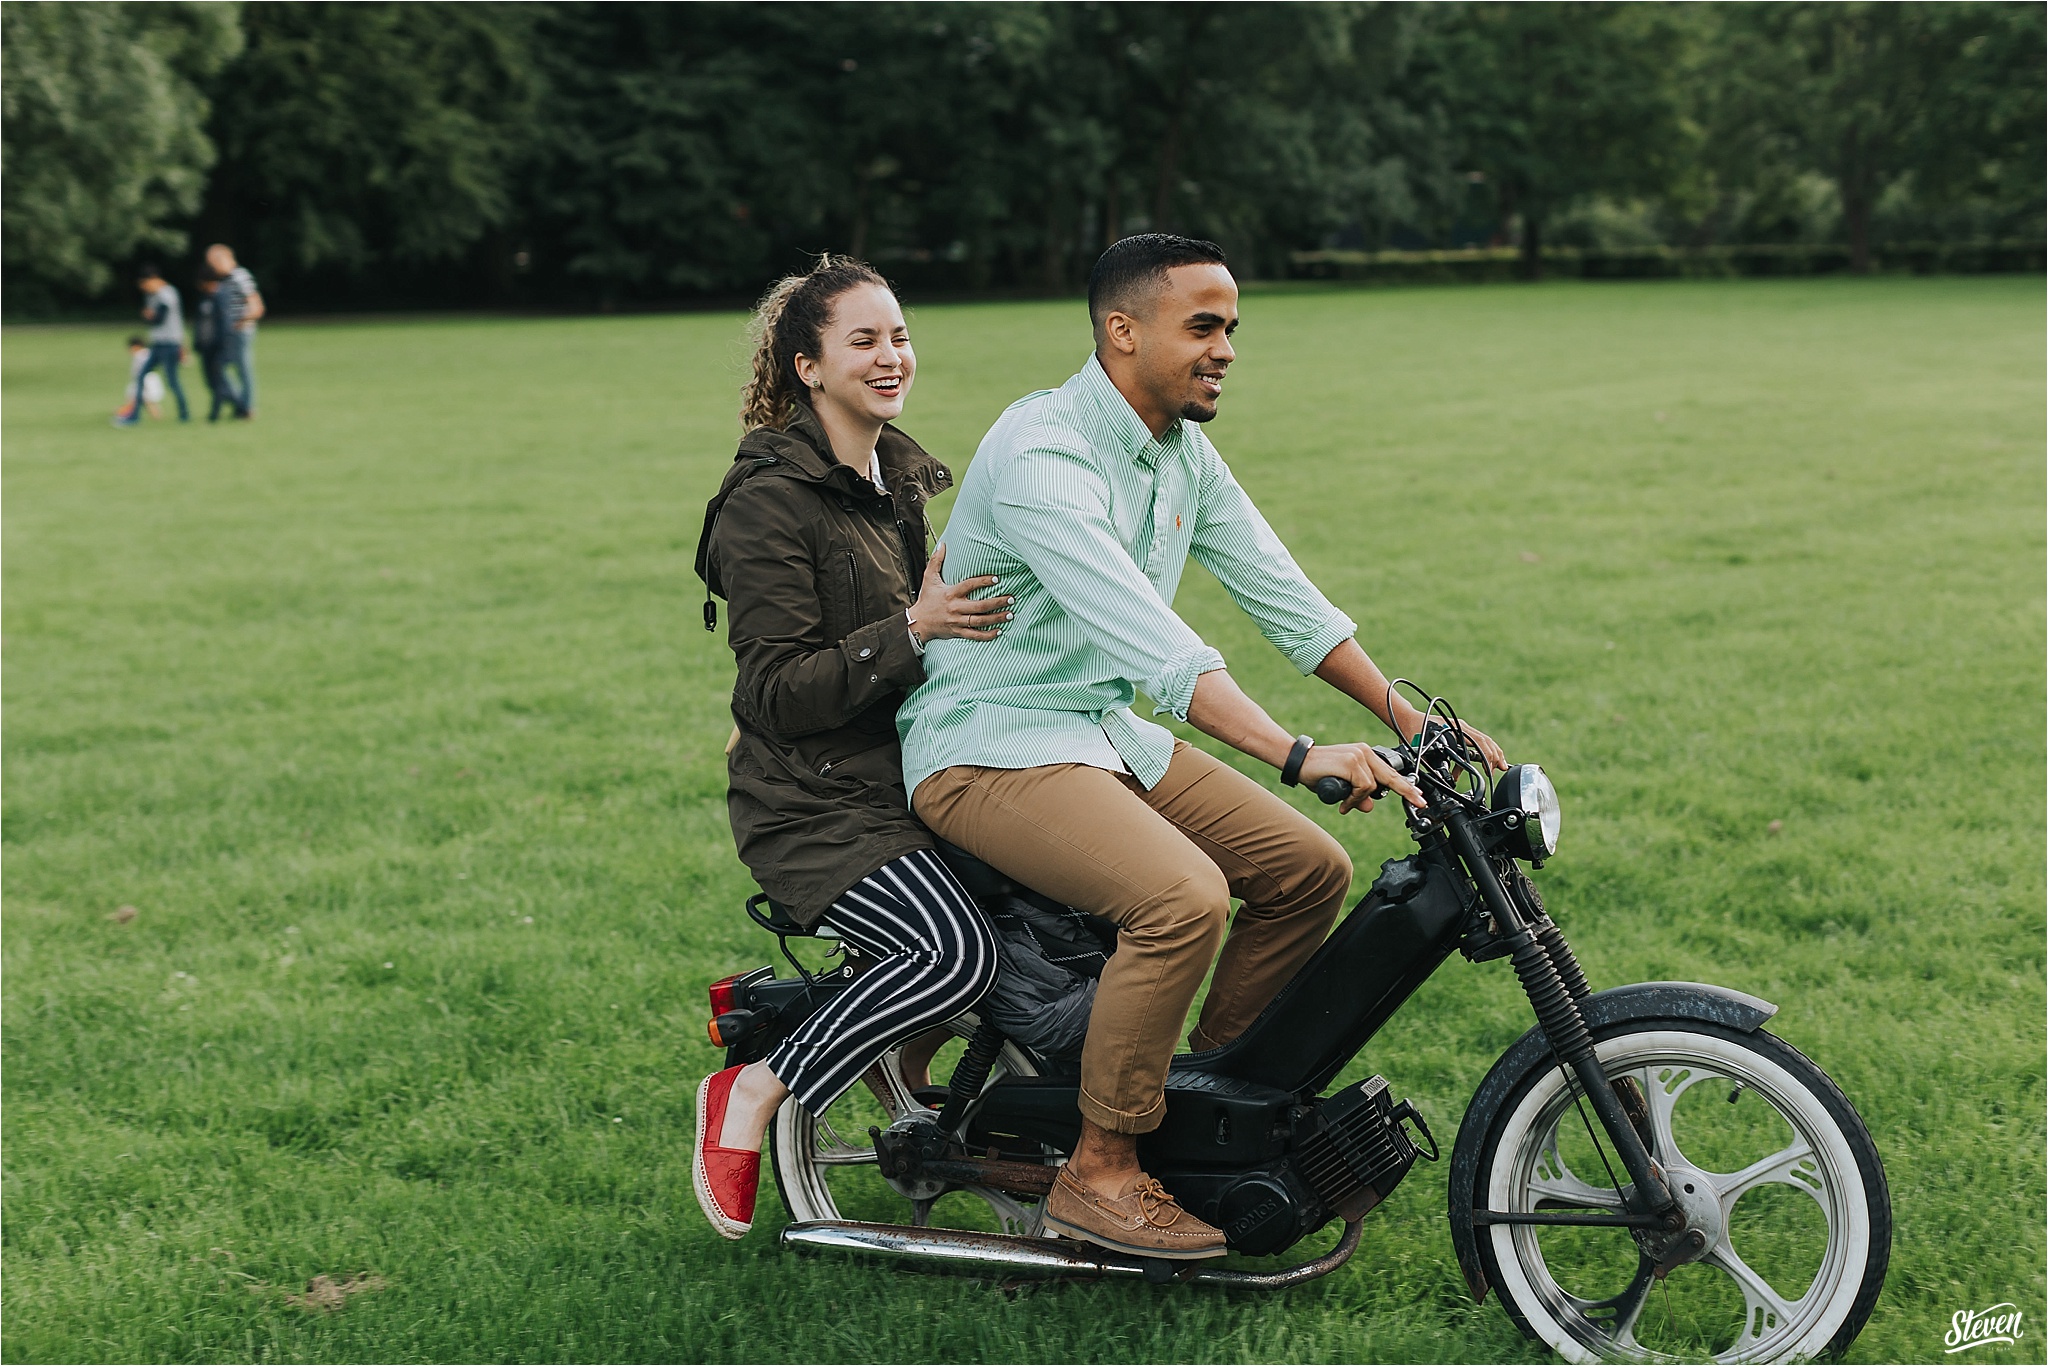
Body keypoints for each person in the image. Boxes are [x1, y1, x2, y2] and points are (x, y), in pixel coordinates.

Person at [896, 233, 1506, 1261]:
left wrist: (1411, 719)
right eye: (1202, 326)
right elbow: (1159, 651)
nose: (1224, 347)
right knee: (1179, 897)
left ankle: (1203, 1121)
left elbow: (1285, 597)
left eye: (1230, 327)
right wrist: (1296, 749)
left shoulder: (1178, 451)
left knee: (1305, 868)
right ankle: (1101, 1168)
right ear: (1121, 331)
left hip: (1096, 732)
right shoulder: (1044, 451)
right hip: (987, 742)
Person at [690, 256, 1016, 1240]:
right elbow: (776, 690)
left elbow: (929, 643)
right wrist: (913, 628)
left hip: (908, 778)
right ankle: (751, 1090)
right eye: (863, 341)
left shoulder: (894, 481)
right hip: (812, 806)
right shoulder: (765, 504)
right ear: (807, 368)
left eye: (900, 335)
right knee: (953, 952)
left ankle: (927, 1104)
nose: (891, 356)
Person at [113, 265, 188, 426]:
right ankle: (134, 416)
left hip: (170, 344)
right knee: (141, 377)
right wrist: (149, 316)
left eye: (145, 284)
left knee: (172, 381)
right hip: (157, 344)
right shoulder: (151, 295)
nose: (144, 288)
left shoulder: (167, 294)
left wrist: (150, 316)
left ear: (154, 279)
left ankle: (184, 414)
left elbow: (158, 318)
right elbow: (149, 318)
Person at [206, 243, 264, 418]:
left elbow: (256, 306)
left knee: (242, 368)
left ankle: (246, 407)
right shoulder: (227, 280)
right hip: (232, 332)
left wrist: (241, 321)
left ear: (223, 259)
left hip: (242, 331)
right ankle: (240, 402)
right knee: (223, 367)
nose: (212, 269)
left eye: (213, 264)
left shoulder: (240, 276)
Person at [190, 270, 240, 422]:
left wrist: (224, 348)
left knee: (218, 381)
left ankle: (215, 414)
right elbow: (200, 323)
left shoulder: (222, 297)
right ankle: (241, 406)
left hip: (219, 347)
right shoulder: (205, 298)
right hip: (206, 347)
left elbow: (226, 325)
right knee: (211, 382)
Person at [116, 336, 166, 420]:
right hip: (149, 381)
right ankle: (124, 413)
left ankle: (125, 414)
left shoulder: (140, 355)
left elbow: (140, 371)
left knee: (143, 401)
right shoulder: (147, 353)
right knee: (144, 402)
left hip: (146, 382)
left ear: (135, 346)